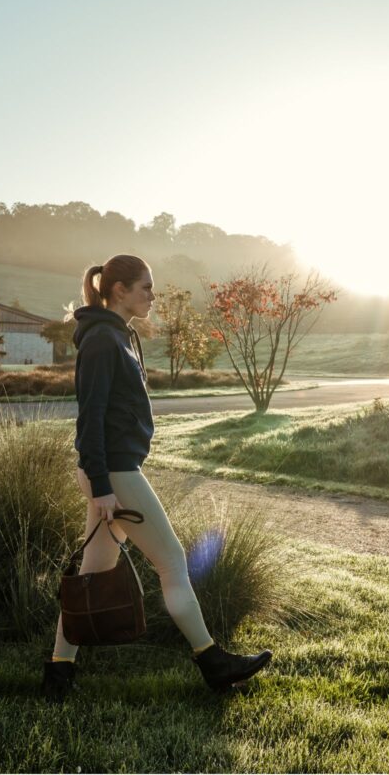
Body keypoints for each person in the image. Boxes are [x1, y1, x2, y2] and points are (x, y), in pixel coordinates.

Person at [41, 254, 272, 702]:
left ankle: (58, 674)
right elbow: (89, 420)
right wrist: (104, 488)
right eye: (146, 287)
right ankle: (213, 662)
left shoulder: (116, 335)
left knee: (90, 576)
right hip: (114, 473)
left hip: (112, 471)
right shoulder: (104, 341)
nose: (152, 295)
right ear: (120, 290)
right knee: (171, 563)